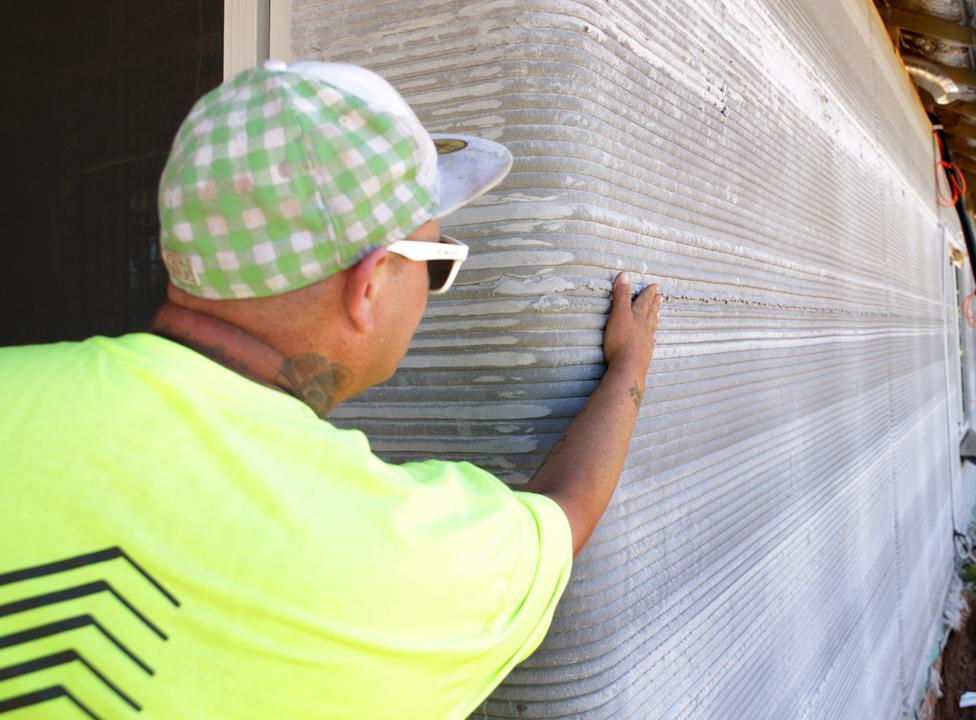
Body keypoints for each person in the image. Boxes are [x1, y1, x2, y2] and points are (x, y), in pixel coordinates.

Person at [0, 61, 660, 719]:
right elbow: (563, 514)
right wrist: (629, 367)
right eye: (436, 265)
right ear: (370, 285)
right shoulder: (405, 559)